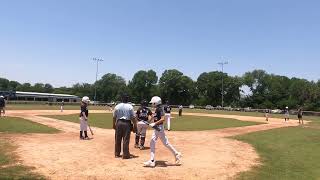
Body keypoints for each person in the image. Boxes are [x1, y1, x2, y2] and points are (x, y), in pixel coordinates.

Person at [144, 96, 182, 168]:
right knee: (165, 143)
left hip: (159, 127)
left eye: (153, 103)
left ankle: (152, 161)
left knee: (152, 142)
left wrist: (154, 124)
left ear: (156, 103)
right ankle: (176, 153)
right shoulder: (157, 109)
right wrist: (149, 122)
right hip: (158, 127)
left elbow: (163, 119)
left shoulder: (160, 109)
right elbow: (154, 117)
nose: (152, 104)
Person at [113, 94, 137, 159]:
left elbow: (114, 117)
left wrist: (113, 125)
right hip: (127, 123)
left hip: (119, 123)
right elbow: (133, 117)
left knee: (118, 139)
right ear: (128, 99)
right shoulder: (130, 106)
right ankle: (125, 155)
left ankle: (117, 154)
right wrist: (135, 126)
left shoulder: (117, 106)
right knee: (126, 139)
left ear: (121, 99)